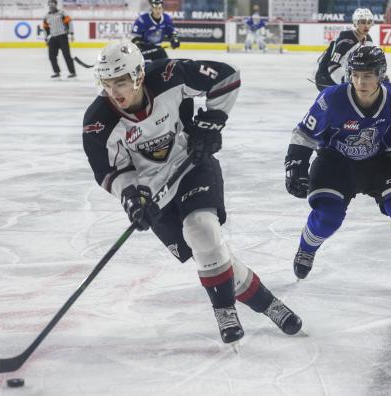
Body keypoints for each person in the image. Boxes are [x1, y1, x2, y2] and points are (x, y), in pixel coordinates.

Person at [82, 40, 302, 344]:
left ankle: (224, 310)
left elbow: (226, 76)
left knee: (202, 229)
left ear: (138, 76)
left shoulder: (168, 76)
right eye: (107, 83)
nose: (114, 91)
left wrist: (211, 123)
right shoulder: (98, 122)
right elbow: (110, 171)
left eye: (120, 81)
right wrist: (132, 197)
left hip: (191, 165)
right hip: (153, 192)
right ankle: (269, 304)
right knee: (208, 251)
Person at [285, 46, 391, 290]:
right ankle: (306, 249)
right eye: (355, 75)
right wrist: (296, 166)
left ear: (381, 74)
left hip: (380, 161)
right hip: (335, 162)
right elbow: (304, 133)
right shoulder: (332, 99)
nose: (360, 82)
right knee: (328, 216)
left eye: (368, 75)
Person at [314, 8, 375, 92]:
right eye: (363, 22)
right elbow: (333, 65)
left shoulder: (368, 40)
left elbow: (366, 63)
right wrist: (348, 82)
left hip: (346, 78)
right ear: (355, 23)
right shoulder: (347, 41)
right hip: (325, 78)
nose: (366, 26)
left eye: (369, 22)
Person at [43, 0, 76, 79]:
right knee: (51, 56)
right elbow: (45, 28)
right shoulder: (46, 16)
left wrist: (71, 33)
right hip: (53, 38)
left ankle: (72, 72)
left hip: (62, 37)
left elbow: (69, 22)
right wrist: (46, 38)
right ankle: (56, 72)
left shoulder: (62, 13)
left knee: (66, 55)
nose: (51, 5)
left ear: (56, 4)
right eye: (50, 4)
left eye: (53, 3)